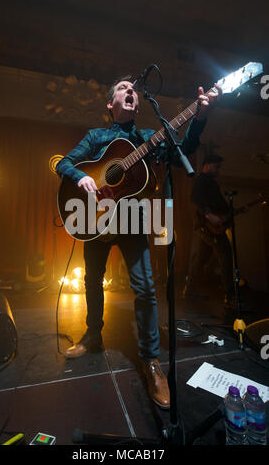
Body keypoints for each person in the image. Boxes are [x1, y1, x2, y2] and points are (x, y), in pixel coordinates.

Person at [56, 75, 220, 409]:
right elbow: (63, 163)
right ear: (110, 103)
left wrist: (200, 116)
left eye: (133, 89)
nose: (131, 90)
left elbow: (184, 151)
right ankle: (92, 334)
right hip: (96, 219)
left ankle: (151, 362)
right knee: (91, 279)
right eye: (122, 88)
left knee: (145, 288)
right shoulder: (97, 137)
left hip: (132, 220)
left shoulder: (149, 136)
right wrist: (83, 176)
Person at [183, 155, 236, 309]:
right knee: (225, 254)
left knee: (201, 259)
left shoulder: (211, 183)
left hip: (208, 227)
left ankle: (190, 290)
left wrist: (227, 216)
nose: (218, 170)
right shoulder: (202, 181)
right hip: (207, 227)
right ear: (206, 166)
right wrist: (209, 215)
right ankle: (230, 297)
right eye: (216, 166)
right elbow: (195, 199)